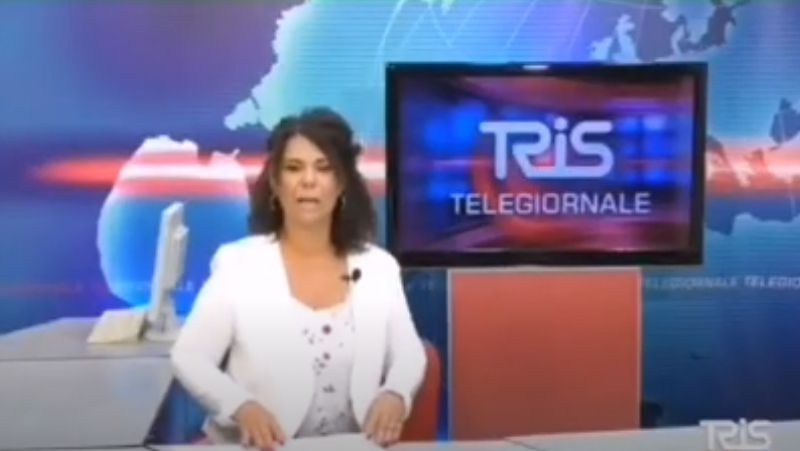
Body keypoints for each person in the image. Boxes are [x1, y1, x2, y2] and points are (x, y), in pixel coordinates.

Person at [170, 107, 427, 450]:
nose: (308, 180)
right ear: (276, 183)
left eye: (324, 168)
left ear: (342, 183)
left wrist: (395, 393)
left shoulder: (378, 268)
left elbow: (410, 354)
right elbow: (190, 356)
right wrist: (240, 406)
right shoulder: (239, 265)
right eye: (294, 168)